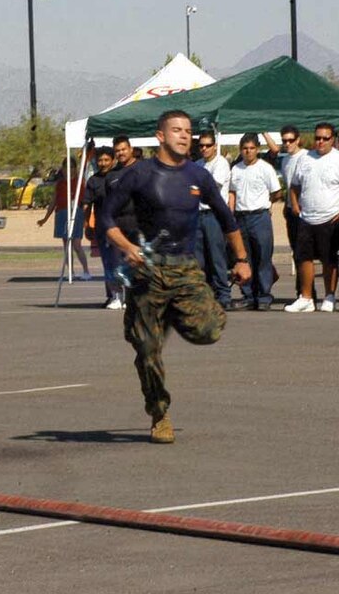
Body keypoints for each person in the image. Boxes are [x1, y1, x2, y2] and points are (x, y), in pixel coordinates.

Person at [101, 110, 251, 444]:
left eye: (188, 131)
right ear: (160, 136)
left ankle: (172, 313)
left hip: (184, 267)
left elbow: (227, 219)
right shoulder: (138, 174)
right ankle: (159, 414)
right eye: (177, 130)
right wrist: (127, 247)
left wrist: (241, 259)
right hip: (149, 271)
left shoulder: (199, 175)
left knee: (209, 331)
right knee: (146, 348)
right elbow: (106, 217)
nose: (184, 136)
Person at [285, 122, 339, 313]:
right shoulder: (305, 159)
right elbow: (294, 185)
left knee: (329, 260)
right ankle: (306, 297)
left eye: (325, 138)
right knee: (304, 258)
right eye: (318, 137)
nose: (320, 142)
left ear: (333, 139)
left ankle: (329, 296)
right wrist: (295, 205)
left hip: (331, 219)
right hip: (307, 218)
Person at [228, 133, 282, 311]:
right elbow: (232, 193)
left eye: (251, 149)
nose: (248, 152)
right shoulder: (236, 169)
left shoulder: (265, 168)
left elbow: (277, 192)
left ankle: (264, 295)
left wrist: (267, 205)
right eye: (245, 149)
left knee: (263, 257)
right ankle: (248, 295)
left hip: (259, 216)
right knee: (245, 258)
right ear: (240, 150)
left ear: (257, 149)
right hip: (241, 217)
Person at [264, 126, 314, 299]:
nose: (287, 144)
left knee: (304, 253)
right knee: (297, 252)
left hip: (304, 210)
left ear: (298, 140)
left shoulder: (306, 157)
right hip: (290, 210)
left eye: (290, 140)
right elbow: (273, 151)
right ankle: (302, 291)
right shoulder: (286, 160)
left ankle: (307, 293)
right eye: (284, 140)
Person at [193, 130, 233, 309]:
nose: (204, 148)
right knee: (199, 259)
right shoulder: (197, 164)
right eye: (201, 145)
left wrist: (194, 189)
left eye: (208, 145)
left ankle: (223, 294)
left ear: (214, 146)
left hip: (214, 215)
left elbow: (210, 188)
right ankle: (204, 294)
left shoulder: (221, 163)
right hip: (197, 215)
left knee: (217, 257)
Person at [37, 157, 92, 280]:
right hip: (62, 213)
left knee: (77, 244)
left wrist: (85, 219)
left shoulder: (79, 182)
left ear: (75, 168)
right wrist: (45, 218)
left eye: (71, 167)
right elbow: (54, 202)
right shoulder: (60, 184)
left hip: (76, 213)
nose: (69, 170)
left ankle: (86, 271)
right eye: (66, 167)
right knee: (66, 245)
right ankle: (70, 272)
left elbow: (85, 202)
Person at [81, 146, 120, 308]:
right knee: (108, 262)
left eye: (106, 160)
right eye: (100, 160)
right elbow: (86, 205)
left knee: (121, 261)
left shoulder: (120, 176)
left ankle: (124, 295)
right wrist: (86, 225)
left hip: (120, 226)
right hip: (102, 227)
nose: (103, 163)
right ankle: (112, 295)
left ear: (113, 160)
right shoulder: (93, 181)